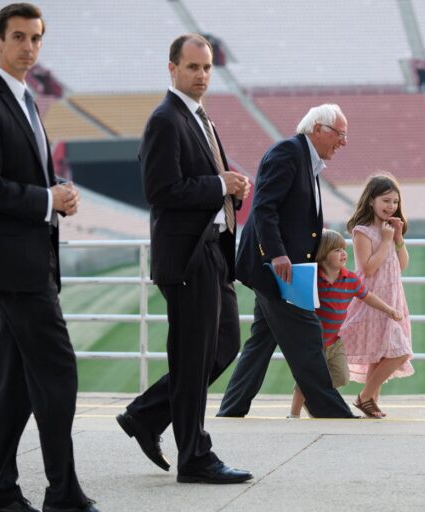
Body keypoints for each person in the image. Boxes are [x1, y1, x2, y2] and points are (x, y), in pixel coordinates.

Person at [0, 3, 97, 511]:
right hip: (12, 266)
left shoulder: (24, 99)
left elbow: (20, 176)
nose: (28, 47)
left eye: (36, 38)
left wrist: (55, 191)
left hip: (31, 258)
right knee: (58, 370)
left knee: (13, 383)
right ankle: (63, 493)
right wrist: (46, 201)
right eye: (18, 37)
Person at [114, 33, 253, 484]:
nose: (201, 75)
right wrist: (220, 186)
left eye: (208, 68)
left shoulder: (199, 118)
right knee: (194, 357)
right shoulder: (165, 120)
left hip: (213, 250)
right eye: (193, 67)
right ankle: (194, 457)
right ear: (172, 68)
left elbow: (205, 182)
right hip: (188, 258)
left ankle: (146, 415)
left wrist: (232, 186)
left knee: (225, 345)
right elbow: (160, 191)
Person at [217, 104, 357, 419]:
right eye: (340, 134)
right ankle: (332, 411)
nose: (344, 142)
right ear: (318, 129)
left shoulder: (304, 158)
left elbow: (289, 213)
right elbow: (265, 208)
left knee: (261, 342)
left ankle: (231, 409)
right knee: (307, 334)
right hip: (275, 268)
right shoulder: (287, 153)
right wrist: (278, 253)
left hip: (279, 267)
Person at [288, 229, 403, 418]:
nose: (343, 253)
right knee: (306, 379)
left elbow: (368, 296)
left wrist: (389, 310)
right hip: (314, 343)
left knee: (341, 377)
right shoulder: (314, 279)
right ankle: (294, 414)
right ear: (323, 255)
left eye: (343, 249)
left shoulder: (349, 279)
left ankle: (314, 396)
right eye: (336, 250)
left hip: (334, 341)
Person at [338, 174, 414, 418]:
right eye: (385, 200)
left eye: (395, 202)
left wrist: (398, 239)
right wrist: (386, 241)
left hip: (392, 298)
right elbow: (368, 268)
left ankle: (370, 402)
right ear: (371, 200)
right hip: (372, 300)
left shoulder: (389, 230)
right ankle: (365, 397)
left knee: (380, 354)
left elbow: (402, 265)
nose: (391, 206)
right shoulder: (363, 231)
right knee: (400, 351)